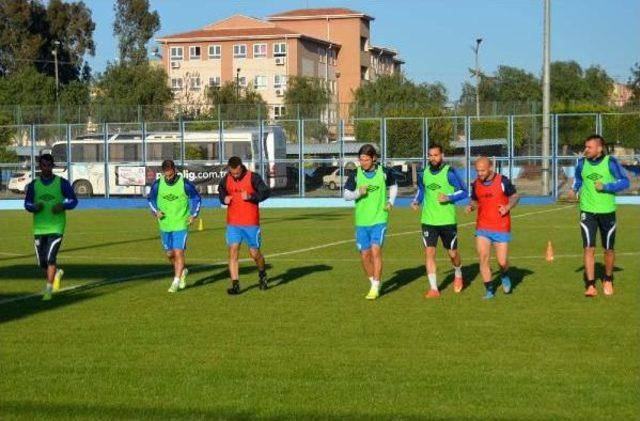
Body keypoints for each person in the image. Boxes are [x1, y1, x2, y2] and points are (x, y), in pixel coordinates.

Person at [568, 134, 629, 297]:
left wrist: (606, 186)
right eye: (585, 146)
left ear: (599, 148)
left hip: (607, 212)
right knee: (588, 248)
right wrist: (573, 189)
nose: (585, 150)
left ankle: (608, 279)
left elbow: (625, 181)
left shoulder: (610, 162)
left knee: (608, 249)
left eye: (589, 147)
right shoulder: (581, 163)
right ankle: (590, 285)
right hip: (587, 211)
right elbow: (578, 179)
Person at [411, 144, 468, 298]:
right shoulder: (423, 173)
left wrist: (449, 197)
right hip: (428, 219)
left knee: (452, 253)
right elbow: (422, 190)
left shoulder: (449, 172)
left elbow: (464, 191)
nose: (433, 158)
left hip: (447, 220)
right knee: (429, 253)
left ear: (442, 155)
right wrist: (417, 201)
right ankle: (434, 288)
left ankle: (458, 272)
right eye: (430, 155)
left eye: (436, 155)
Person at [344, 144, 398, 300]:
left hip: (379, 219)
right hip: (362, 221)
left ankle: (375, 287)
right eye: (361, 159)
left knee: (376, 251)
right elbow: (346, 195)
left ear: (373, 158)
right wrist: (357, 193)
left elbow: (394, 186)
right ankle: (373, 282)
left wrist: (391, 201)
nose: (363, 162)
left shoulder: (384, 172)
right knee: (364, 255)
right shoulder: (355, 174)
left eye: (366, 159)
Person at [24, 153, 78, 301]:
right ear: (40, 167)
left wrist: (63, 205)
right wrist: (34, 207)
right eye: (43, 165)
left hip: (56, 227)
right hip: (39, 228)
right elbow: (27, 204)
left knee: (50, 258)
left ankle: (48, 289)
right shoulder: (34, 185)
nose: (46, 168)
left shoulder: (62, 183)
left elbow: (73, 200)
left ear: (52, 166)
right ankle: (57, 272)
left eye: (49, 165)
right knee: (42, 262)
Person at [466, 156, 519, 299]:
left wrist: (507, 207)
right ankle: (489, 290)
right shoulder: (476, 183)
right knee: (483, 258)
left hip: (501, 227)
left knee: (502, 262)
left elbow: (515, 196)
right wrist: (471, 206)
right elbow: (475, 200)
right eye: (477, 171)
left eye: (482, 170)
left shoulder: (503, 181)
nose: (480, 174)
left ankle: (505, 274)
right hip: (482, 227)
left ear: (490, 168)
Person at [217, 156, 271, 295]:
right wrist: (224, 199)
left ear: (241, 167)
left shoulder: (253, 177)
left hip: (251, 223)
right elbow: (221, 190)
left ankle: (262, 274)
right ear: (229, 169)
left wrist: (252, 196)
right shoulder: (226, 179)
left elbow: (266, 192)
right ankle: (235, 285)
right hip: (233, 223)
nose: (235, 175)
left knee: (254, 254)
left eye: (237, 172)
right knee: (233, 250)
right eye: (232, 172)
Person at [147, 160, 201, 293]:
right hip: (165, 224)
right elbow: (150, 199)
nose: (169, 176)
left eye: (170, 173)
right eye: (166, 173)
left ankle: (176, 281)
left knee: (179, 252)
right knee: (170, 254)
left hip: (180, 223)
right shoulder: (158, 185)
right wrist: (155, 211)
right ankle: (182, 271)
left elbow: (196, 198)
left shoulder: (185, 184)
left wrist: (193, 214)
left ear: (174, 170)